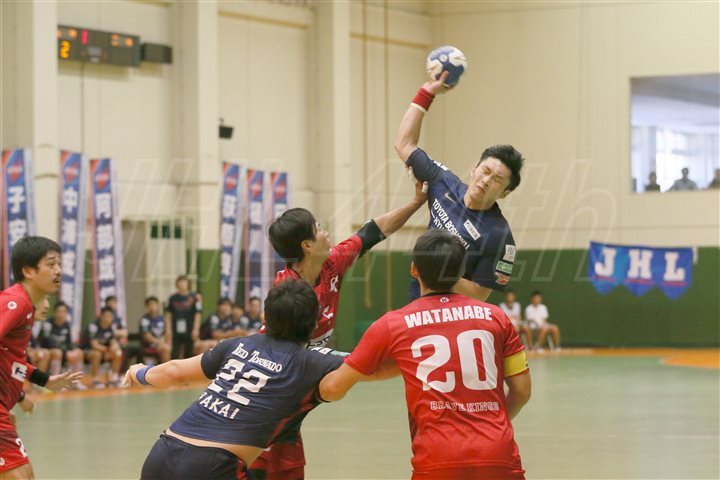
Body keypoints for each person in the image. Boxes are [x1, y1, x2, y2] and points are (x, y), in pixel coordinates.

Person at [125, 280, 393, 480]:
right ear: (314, 325)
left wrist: (138, 373)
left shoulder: (237, 345)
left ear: (266, 316)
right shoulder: (310, 362)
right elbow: (373, 367)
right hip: (213, 466)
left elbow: (174, 371)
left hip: (162, 455)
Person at [319, 230, 531, 479]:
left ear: (414, 270)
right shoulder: (497, 317)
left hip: (437, 457)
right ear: (462, 272)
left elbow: (333, 388)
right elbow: (522, 391)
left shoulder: (393, 324)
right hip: (498, 452)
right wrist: (492, 425)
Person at [251, 180, 428, 479]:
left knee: (287, 455)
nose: (325, 232)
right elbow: (283, 355)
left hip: (302, 374)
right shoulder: (287, 292)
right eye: (318, 228)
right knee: (262, 456)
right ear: (307, 245)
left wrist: (416, 202)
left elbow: (373, 231)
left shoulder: (332, 262)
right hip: (273, 382)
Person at [394, 71, 524, 301]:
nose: (486, 180)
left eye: (497, 180)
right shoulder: (443, 182)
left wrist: (437, 271)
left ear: (505, 193)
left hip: (456, 316)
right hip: (416, 306)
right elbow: (404, 144)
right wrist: (427, 93)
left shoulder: (499, 236)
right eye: (485, 171)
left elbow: (480, 294)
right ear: (474, 168)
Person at [0, 236, 82, 479]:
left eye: (60, 264)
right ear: (28, 271)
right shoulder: (16, 302)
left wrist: (43, 381)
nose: (58, 271)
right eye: (51, 264)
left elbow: (11, 361)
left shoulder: (26, 308)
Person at [41, 301, 86, 378]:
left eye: (64, 312)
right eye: (59, 311)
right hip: (49, 350)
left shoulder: (67, 325)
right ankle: (54, 378)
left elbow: (69, 342)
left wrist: (72, 350)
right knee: (57, 352)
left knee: (79, 352)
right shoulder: (48, 324)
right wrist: (64, 351)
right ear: (55, 312)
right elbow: (46, 341)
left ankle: (75, 380)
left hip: (63, 351)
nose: (61, 314)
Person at [85, 307, 123, 388]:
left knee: (118, 352)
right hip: (89, 351)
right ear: (101, 316)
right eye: (106, 316)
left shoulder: (112, 327)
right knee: (97, 354)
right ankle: (95, 380)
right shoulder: (93, 326)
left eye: (110, 316)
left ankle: (114, 377)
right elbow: (94, 345)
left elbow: (113, 341)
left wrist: (114, 347)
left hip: (105, 351)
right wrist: (107, 350)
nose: (108, 318)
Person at [165, 275, 202, 359]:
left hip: (189, 328)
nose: (182, 284)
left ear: (188, 283)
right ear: (176, 284)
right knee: (175, 352)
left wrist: (196, 329)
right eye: (180, 282)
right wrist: (168, 330)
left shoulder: (195, 298)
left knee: (189, 352)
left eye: (184, 282)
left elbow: (198, 314)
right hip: (176, 328)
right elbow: (168, 314)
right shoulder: (172, 298)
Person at [139, 296, 171, 365]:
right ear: (146, 307)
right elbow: (147, 337)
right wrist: (160, 342)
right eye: (150, 305)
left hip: (162, 344)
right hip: (149, 346)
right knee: (165, 349)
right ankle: (165, 368)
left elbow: (168, 333)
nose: (152, 307)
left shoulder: (162, 319)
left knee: (167, 348)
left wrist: (167, 342)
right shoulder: (144, 320)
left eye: (154, 304)